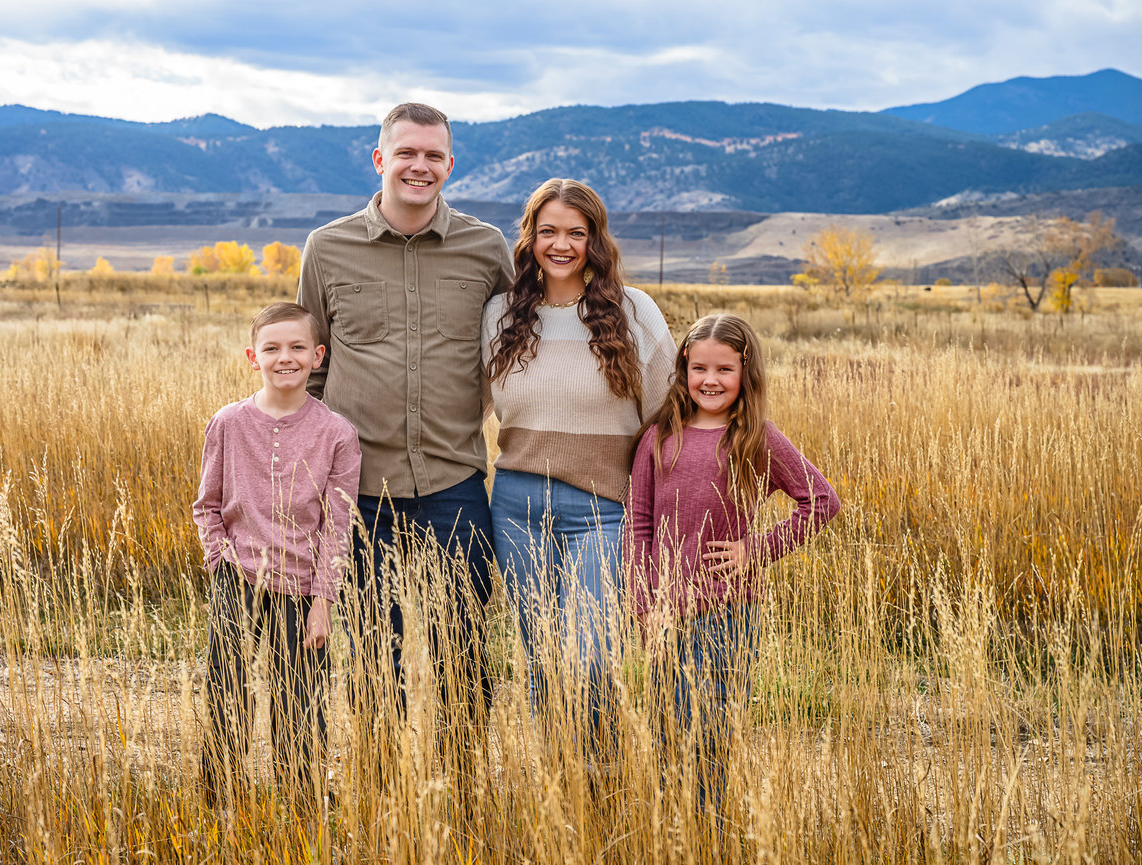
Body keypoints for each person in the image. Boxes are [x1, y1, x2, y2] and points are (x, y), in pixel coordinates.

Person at [296, 103, 514, 747]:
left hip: (456, 486)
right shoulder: (327, 248)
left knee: (464, 661)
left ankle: (461, 793)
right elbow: (309, 366)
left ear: (450, 164)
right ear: (380, 160)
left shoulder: (486, 247)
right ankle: (381, 794)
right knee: (370, 663)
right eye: (406, 153)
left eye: (432, 156)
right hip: (359, 493)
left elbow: (518, 343)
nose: (419, 167)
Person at [482, 178, 675, 759]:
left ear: (595, 240)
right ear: (530, 238)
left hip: (603, 510)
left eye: (575, 232)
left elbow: (666, 417)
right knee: (539, 659)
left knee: (592, 660)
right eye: (548, 231)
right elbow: (465, 403)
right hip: (515, 505)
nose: (560, 244)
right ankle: (558, 787)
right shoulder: (499, 314)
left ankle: (599, 778)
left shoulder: (633, 310)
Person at [626, 313, 839, 812]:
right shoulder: (660, 435)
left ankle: (708, 828)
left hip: (727, 614)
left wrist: (755, 551)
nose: (710, 380)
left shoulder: (755, 436)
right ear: (683, 369)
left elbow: (821, 501)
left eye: (724, 369)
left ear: (745, 372)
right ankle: (673, 832)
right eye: (699, 368)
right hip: (666, 613)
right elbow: (638, 524)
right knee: (667, 730)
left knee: (712, 732)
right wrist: (645, 604)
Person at [192, 302, 361, 814]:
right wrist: (222, 564)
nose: (284, 357)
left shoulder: (337, 433)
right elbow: (208, 505)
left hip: (304, 587)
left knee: (300, 703)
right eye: (271, 348)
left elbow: (338, 525)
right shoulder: (228, 423)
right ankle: (220, 802)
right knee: (228, 692)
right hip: (238, 579)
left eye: (296, 348)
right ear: (252, 357)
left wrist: (323, 601)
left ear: (317, 355)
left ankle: (302, 803)